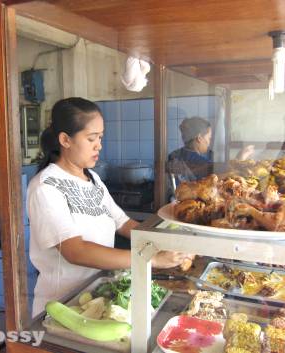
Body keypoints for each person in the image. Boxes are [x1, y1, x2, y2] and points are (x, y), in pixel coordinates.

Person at [27, 97, 194, 318]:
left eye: (100, 137)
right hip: (62, 307)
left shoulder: (93, 179)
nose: (99, 145)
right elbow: (75, 251)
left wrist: (167, 243)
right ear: (65, 140)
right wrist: (150, 259)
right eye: (91, 138)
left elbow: (123, 223)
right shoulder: (45, 187)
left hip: (96, 297)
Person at [168, 117, 254, 183]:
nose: (209, 143)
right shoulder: (198, 161)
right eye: (209, 138)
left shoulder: (175, 154)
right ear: (199, 138)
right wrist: (240, 158)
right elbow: (221, 176)